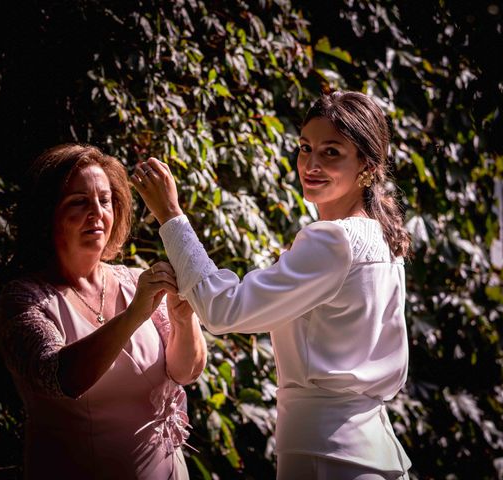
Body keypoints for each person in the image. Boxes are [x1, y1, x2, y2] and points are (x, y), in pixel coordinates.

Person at [131, 91, 412, 479]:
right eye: (304, 148)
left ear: (366, 165)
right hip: (372, 452)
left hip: (326, 454)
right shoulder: (382, 238)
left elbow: (225, 309)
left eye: (331, 152)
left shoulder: (333, 241)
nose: (310, 164)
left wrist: (171, 216)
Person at [0, 144, 207, 480]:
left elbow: (186, 372)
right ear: (48, 214)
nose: (97, 212)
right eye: (79, 202)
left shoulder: (133, 279)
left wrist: (184, 319)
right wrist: (133, 315)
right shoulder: (24, 298)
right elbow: (61, 378)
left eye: (105, 200)